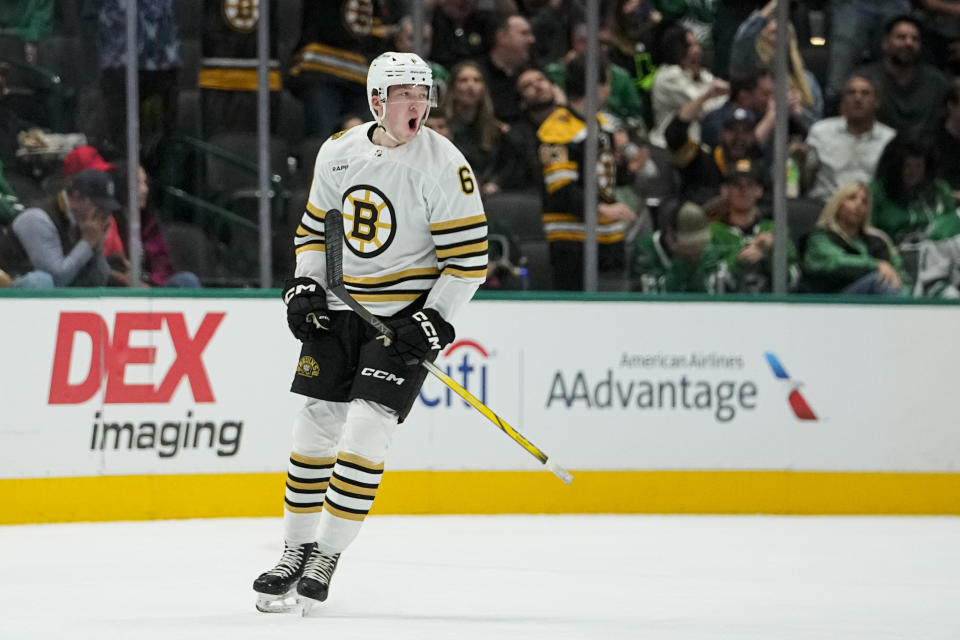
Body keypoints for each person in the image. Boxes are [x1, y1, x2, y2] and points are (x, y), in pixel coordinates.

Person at [252, 52, 487, 614]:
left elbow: (469, 261)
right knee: (312, 431)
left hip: (400, 319)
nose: (417, 104)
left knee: (365, 433)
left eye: (423, 93)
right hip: (340, 308)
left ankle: (327, 554)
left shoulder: (446, 166)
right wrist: (305, 287)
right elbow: (315, 232)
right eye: (405, 94)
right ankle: (294, 550)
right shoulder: (337, 153)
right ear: (376, 100)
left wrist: (433, 319)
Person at [537, 53, 637, 290]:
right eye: (608, 82)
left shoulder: (606, 125)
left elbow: (608, 182)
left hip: (610, 238)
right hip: (573, 241)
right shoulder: (557, 130)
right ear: (596, 85)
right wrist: (602, 208)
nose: (609, 89)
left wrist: (627, 168)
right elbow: (561, 189)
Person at [9, 169, 117, 287]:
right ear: (76, 197)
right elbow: (56, 279)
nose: (102, 214)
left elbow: (97, 279)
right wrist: (88, 242)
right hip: (9, 292)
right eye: (98, 206)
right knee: (40, 281)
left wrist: (97, 247)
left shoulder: (78, 221)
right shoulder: (37, 218)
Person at [729, 0, 823, 136]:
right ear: (762, 38)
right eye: (774, 32)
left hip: (796, 144)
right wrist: (775, 3)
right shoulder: (751, 68)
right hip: (757, 139)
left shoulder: (807, 79)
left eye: (784, 32)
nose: (780, 38)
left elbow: (819, 130)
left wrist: (799, 113)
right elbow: (743, 39)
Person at [708, 160, 798, 293]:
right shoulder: (712, 232)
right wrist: (738, 261)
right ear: (724, 190)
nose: (743, 190)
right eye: (736, 185)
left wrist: (771, 256)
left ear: (759, 190)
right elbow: (706, 281)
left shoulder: (775, 229)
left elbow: (794, 278)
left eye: (750, 185)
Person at [803, 75, 896, 203]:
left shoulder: (890, 139)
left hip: (870, 211)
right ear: (843, 101)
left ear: (877, 102)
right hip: (824, 208)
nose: (858, 98)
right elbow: (806, 178)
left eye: (865, 93)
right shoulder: (820, 132)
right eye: (851, 93)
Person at [799, 182, 904, 294]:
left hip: (869, 297)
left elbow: (898, 270)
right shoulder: (819, 237)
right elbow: (836, 262)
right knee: (880, 280)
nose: (858, 204)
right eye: (851, 198)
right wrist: (877, 265)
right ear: (837, 203)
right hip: (830, 299)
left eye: (864, 202)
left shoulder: (877, 240)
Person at [855, 15, 950, 134]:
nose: (909, 43)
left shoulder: (937, 83)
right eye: (901, 37)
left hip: (926, 149)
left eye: (915, 39)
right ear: (885, 43)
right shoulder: (866, 79)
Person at [649, 23, 727, 148]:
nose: (697, 50)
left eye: (696, 44)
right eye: (689, 46)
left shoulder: (699, 72)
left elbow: (723, 97)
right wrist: (714, 93)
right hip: (669, 147)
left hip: (695, 145)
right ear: (675, 50)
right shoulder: (668, 76)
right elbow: (706, 109)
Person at [630, 200, 729, 293]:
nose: (697, 248)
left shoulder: (708, 251)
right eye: (690, 243)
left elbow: (713, 295)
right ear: (670, 237)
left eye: (701, 242)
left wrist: (696, 267)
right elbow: (651, 295)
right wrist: (682, 262)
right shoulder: (647, 249)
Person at [478, 13, 536, 123]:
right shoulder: (478, 73)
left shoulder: (532, 74)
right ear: (502, 37)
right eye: (524, 33)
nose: (532, 39)